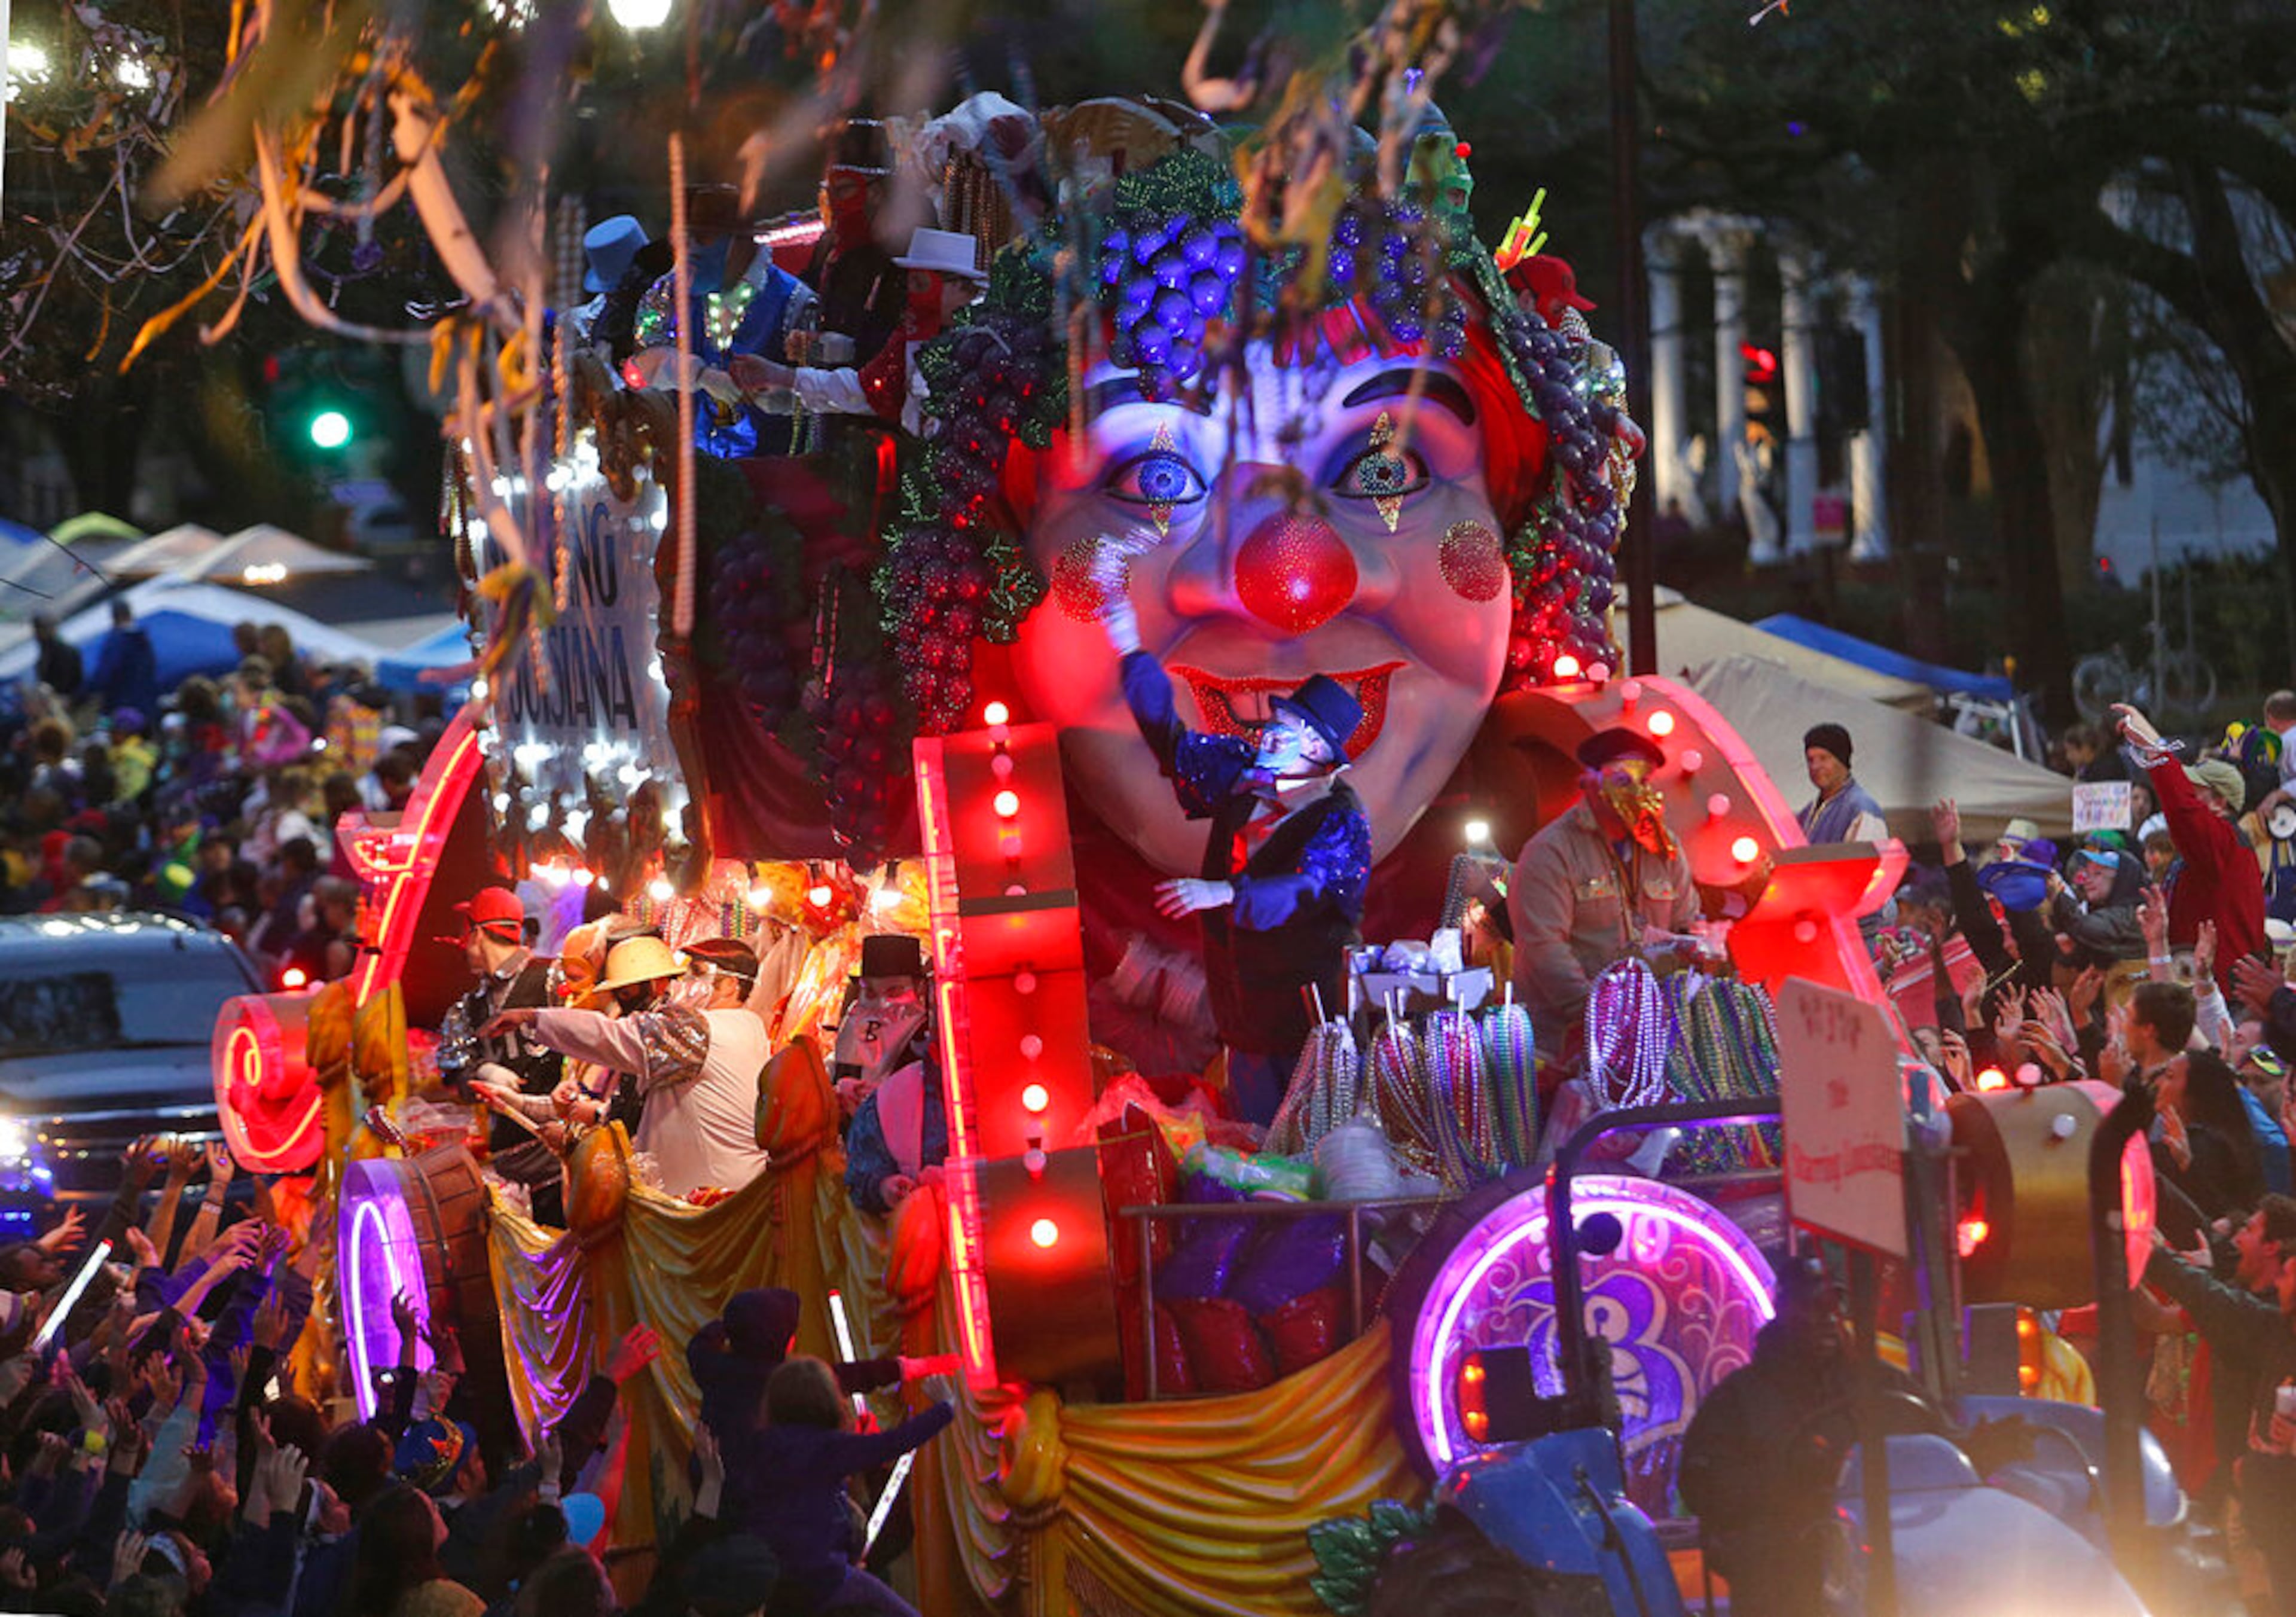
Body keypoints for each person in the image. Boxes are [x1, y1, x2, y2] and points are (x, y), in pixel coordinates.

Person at [1099, 571, 1370, 1127]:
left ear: (1318, 747)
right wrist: (1129, 648)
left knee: (1307, 1152)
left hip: (1307, 1029)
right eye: (1277, 720)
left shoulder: (1340, 817)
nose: (1270, 732)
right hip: (1241, 1020)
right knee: (1253, 1149)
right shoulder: (1244, 779)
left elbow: (1307, 889)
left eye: (1289, 727)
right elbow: (1169, 740)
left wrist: (1221, 892)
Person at [1678, 1256, 1903, 1617]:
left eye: (1833, 1306)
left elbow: (1932, 1440)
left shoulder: (1882, 1383)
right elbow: (1701, 1485)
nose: (1825, 1319)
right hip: (1783, 1565)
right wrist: (1787, 1480)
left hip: (1883, 1553)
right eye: (1810, 1306)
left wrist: (1980, 1445)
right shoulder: (1739, 1399)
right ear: (1782, 1310)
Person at [491, 936, 773, 1197]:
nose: (683, 983)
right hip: (724, 1191)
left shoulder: (699, 1030)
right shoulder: (749, 1026)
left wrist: (533, 1017)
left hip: (705, 1200)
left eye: (697, 973)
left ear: (732, 986)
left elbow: (610, 1037)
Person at [1508, 728, 1698, 1055]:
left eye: (1646, 782)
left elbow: (1687, 925)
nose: (1638, 793)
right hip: (1567, 1042)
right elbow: (1545, 950)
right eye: (1624, 782)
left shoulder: (1664, 849)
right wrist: (1600, 1020)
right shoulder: (1552, 851)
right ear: (1591, 782)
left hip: (1650, 1037)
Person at [724, 1355, 952, 1617]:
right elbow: (894, 1443)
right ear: (827, 1401)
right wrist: (945, 1408)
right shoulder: (829, 1448)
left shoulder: (761, 1447)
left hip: (770, 1579)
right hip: (822, 1578)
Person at [2113, 701, 2266, 996]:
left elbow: (2181, 807)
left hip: (2219, 990)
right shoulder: (2222, 843)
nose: (2186, 794)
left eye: (2195, 791)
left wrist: (2154, 746)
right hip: (2203, 982)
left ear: (2219, 803)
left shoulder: (2222, 840)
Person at [440, 886, 567, 1219]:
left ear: (476, 933)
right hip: (508, 1172)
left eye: (464, 931)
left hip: (560, 1161)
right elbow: (454, 1073)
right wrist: (483, 1071)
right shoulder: (470, 1006)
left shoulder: (554, 979)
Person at [838, 936, 949, 1215]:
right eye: (871, 993)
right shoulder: (852, 1028)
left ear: (920, 988)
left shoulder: (927, 1034)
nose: (883, 1003)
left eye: (895, 991)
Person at [345, 1484, 484, 1617]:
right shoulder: (452, 1603)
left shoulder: (364, 1601)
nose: (439, 1511)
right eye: (432, 1509)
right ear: (417, 1529)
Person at [1795, 722, 1888, 844]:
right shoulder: (1807, 814)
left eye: (1824, 758)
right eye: (1810, 760)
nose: (1815, 767)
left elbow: (1867, 862)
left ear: (1842, 761)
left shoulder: (1862, 812)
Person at [87, 599, 160, 720]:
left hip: (123, 707)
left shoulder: (116, 641)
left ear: (114, 617)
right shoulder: (143, 639)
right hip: (146, 703)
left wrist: (84, 693)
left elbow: (105, 674)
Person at [30, 613, 82, 702]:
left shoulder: (64, 652)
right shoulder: (45, 654)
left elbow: (70, 681)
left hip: (71, 700)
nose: (36, 634)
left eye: (40, 630)